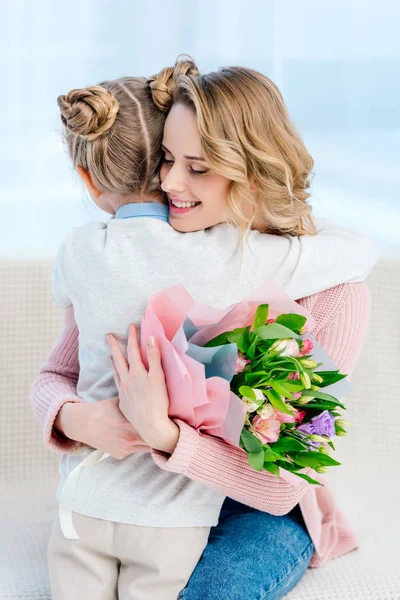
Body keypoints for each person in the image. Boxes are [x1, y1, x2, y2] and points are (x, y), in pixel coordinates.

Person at [31, 59, 378, 600]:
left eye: (198, 168)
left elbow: (279, 482)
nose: (168, 183)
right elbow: (59, 371)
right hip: (140, 500)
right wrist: (77, 417)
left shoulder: (333, 292)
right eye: (166, 159)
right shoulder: (135, 259)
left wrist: (165, 434)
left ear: (253, 170)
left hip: (255, 506)